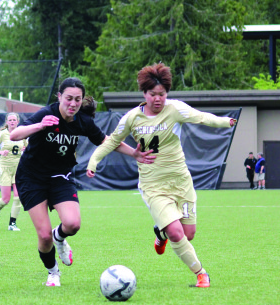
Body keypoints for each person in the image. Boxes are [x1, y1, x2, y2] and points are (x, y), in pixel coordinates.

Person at [86, 63, 237, 288]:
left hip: (181, 182)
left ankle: (160, 233)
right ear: (144, 94)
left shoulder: (175, 109)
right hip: (153, 186)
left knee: (189, 233)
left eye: (162, 94)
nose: (158, 99)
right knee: (177, 233)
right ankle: (200, 273)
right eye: (153, 94)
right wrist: (94, 160)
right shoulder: (132, 118)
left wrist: (224, 122)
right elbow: (113, 141)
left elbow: (201, 117)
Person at [10, 77, 155, 287]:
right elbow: (15, 134)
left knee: (72, 224)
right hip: (31, 177)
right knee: (43, 236)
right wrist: (40, 126)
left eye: (77, 99)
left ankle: (59, 237)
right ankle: (53, 273)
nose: (73, 104)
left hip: (60, 176)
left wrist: (134, 153)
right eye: (68, 98)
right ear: (59, 97)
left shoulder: (82, 121)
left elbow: (107, 141)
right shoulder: (46, 114)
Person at [0, 112, 27, 231]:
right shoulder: (2, 134)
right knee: (5, 199)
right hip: (5, 169)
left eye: (14, 120)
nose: (12, 122)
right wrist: (1, 152)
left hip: (18, 169)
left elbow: (28, 147)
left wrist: (26, 150)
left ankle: (12, 224)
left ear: (18, 122)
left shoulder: (22, 133)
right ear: (7, 122)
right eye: (10, 120)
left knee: (18, 197)